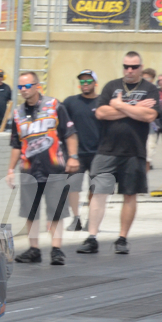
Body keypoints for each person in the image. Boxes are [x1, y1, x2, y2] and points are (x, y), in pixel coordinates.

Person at [77, 51, 159, 255]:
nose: (129, 70)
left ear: (141, 68)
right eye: (126, 66)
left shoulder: (150, 89)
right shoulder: (111, 86)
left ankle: (122, 239)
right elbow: (101, 113)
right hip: (107, 149)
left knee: (129, 195)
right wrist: (135, 108)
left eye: (134, 67)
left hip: (134, 151)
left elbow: (149, 115)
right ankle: (92, 237)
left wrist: (120, 105)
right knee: (98, 193)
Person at [5, 72, 79, 265]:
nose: (23, 90)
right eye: (20, 87)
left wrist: (73, 157)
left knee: (56, 210)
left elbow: (70, 133)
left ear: (37, 86)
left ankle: (56, 249)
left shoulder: (54, 106)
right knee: (30, 211)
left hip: (54, 167)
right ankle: (34, 249)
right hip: (29, 169)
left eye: (27, 86)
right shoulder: (18, 113)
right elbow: (16, 144)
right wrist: (10, 170)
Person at [62, 70, 102, 232]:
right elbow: (61, 121)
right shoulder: (70, 102)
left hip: (98, 154)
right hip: (75, 154)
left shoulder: (102, 102)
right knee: (73, 188)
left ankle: (91, 219)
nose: (85, 84)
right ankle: (76, 219)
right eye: (82, 82)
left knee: (95, 189)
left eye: (88, 81)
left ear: (95, 83)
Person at [142, 67, 158, 169]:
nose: (145, 81)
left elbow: (150, 111)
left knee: (147, 156)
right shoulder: (139, 90)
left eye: (148, 79)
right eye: (143, 79)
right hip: (137, 126)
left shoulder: (154, 91)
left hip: (150, 127)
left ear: (152, 79)